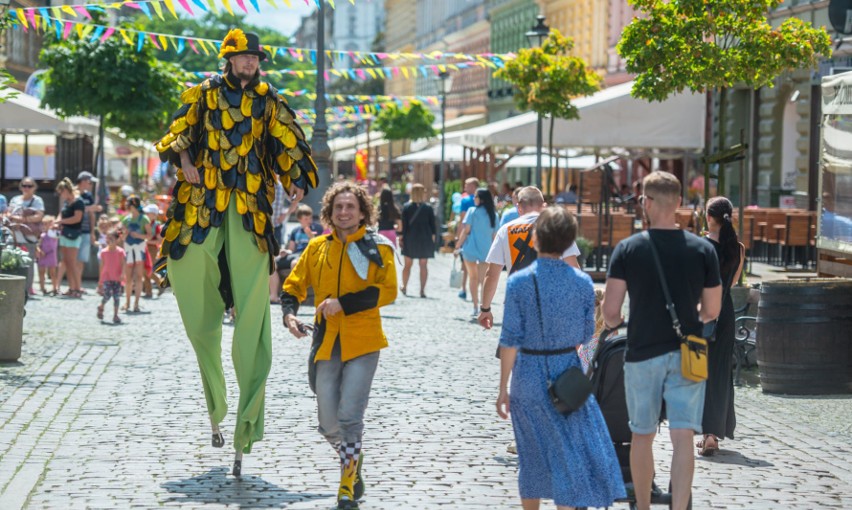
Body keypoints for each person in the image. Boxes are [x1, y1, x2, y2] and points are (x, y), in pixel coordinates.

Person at [153, 28, 318, 476]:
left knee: (252, 313)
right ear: (229, 59)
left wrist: (294, 174)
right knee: (195, 299)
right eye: (243, 57)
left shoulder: (269, 100)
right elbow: (175, 136)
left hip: (248, 208)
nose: (250, 62)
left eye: (254, 57)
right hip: (201, 206)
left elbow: (288, 144)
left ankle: (246, 419)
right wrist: (184, 161)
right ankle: (214, 402)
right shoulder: (204, 95)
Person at [602, 171, 722, 510]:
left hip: (642, 350)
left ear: (646, 202)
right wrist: (688, 321)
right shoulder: (702, 250)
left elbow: (611, 312)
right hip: (691, 350)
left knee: (642, 433)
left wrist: (623, 321)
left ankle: (642, 505)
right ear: (680, 203)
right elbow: (712, 309)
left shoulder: (629, 249)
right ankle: (680, 505)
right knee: (683, 436)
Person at [496, 206, 626, 509]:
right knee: (566, 457)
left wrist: (503, 387)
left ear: (536, 239)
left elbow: (510, 339)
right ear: (568, 240)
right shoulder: (582, 283)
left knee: (531, 460)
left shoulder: (518, 283)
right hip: (567, 376)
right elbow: (585, 335)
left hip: (527, 375)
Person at [281, 182, 397, 510]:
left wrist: (343, 303)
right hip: (326, 342)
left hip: (363, 342)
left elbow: (387, 290)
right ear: (329, 213)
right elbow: (293, 285)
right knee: (328, 422)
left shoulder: (379, 248)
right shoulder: (317, 247)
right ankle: (353, 460)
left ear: (363, 213)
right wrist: (289, 316)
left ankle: (346, 487)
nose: (344, 212)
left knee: (349, 417)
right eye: (338, 208)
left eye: (350, 207)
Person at [478, 187, 580, 330]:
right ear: (544, 206)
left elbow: (492, 274)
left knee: (515, 350)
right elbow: (574, 269)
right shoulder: (558, 228)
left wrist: (485, 309)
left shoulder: (505, 230)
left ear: (519, 207)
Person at [698, 196, 745, 456]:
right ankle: (712, 434)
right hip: (725, 313)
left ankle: (705, 433)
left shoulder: (702, 245)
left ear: (709, 217)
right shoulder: (737, 248)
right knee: (719, 373)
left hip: (704, 311)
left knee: (698, 372)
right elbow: (733, 283)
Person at [455, 188, 499, 317]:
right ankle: (482, 307)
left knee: (473, 278)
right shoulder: (494, 215)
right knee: (482, 280)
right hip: (486, 251)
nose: (474, 199)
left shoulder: (472, 212)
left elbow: (466, 230)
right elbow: (495, 235)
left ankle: (475, 306)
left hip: (471, 250)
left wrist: (457, 245)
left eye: (475, 197)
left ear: (481, 199)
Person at [270, 204, 322, 303]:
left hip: (307, 254)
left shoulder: (317, 228)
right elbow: (291, 249)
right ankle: (273, 295)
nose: (309, 221)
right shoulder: (295, 231)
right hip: (295, 254)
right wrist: (286, 252)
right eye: (306, 219)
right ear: (299, 219)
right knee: (271, 263)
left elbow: (318, 247)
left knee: (295, 263)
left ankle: (297, 295)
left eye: (310, 218)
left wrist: (311, 237)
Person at [7, 177, 45, 295]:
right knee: (11, 260)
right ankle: (13, 288)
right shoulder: (15, 199)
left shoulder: (37, 200)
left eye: (29, 186)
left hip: (29, 236)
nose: (26, 188)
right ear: (20, 187)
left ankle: (27, 289)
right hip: (14, 234)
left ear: (34, 188)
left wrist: (23, 220)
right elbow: (9, 213)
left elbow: (39, 216)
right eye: (24, 185)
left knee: (28, 262)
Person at [399, 183, 436, 297]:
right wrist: (433, 240)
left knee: (407, 265)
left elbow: (403, 225)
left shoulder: (406, 207)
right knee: (423, 265)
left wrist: (401, 238)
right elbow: (433, 226)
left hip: (410, 238)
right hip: (425, 239)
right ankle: (422, 290)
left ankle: (404, 287)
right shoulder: (428, 208)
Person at [53, 178, 86, 298]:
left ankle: (77, 288)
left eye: (61, 192)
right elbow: (61, 214)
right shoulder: (67, 202)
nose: (60, 195)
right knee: (66, 261)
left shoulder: (79, 202)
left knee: (72, 263)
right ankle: (72, 288)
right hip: (64, 233)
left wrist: (61, 221)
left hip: (74, 235)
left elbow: (77, 218)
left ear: (66, 190)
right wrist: (56, 222)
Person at [121, 196, 151, 312]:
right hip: (128, 248)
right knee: (128, 277)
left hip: (139, 248)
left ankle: (136, 304)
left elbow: (149, 235)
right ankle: (127, 302)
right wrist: (125, 233)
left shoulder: (144, 219)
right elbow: (121, 235)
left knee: (139, 276)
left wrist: (138, 236)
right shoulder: (126, 219)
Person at [456, 177, 479, 299]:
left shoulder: (465, 201)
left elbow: (462, 221)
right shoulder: (486, 200)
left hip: (468, 236)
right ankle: (476, 291)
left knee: (465, 264)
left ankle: (464, 288)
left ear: (474, 187)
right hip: (482, 237)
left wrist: (458, 238)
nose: (465, 187)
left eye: (467, 185)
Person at [98, 230, 126, 324]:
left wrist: (123, 274)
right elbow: (102, 266)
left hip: (117, 278)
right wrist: (100, 280)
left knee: (116, 296)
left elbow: (123, 264)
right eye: (107, 238)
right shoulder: (104, 252)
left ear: (117, 240)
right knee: (107, 294)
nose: (109, 240)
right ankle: (102, 305)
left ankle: (115, 315)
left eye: (111, 238)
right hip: (107, 277)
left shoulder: (120, 252)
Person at [35, 215, 59, 296]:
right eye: (43, 224)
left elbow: (57, 236)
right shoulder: (42, 235)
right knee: (41, 271)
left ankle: (54, 288)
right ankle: (42, 288)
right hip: (43, 255)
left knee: (52, 272)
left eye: (47, 224)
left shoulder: (54, 234)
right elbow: (38, 245)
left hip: (51, 255)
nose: (44, 226)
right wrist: (40, 251)